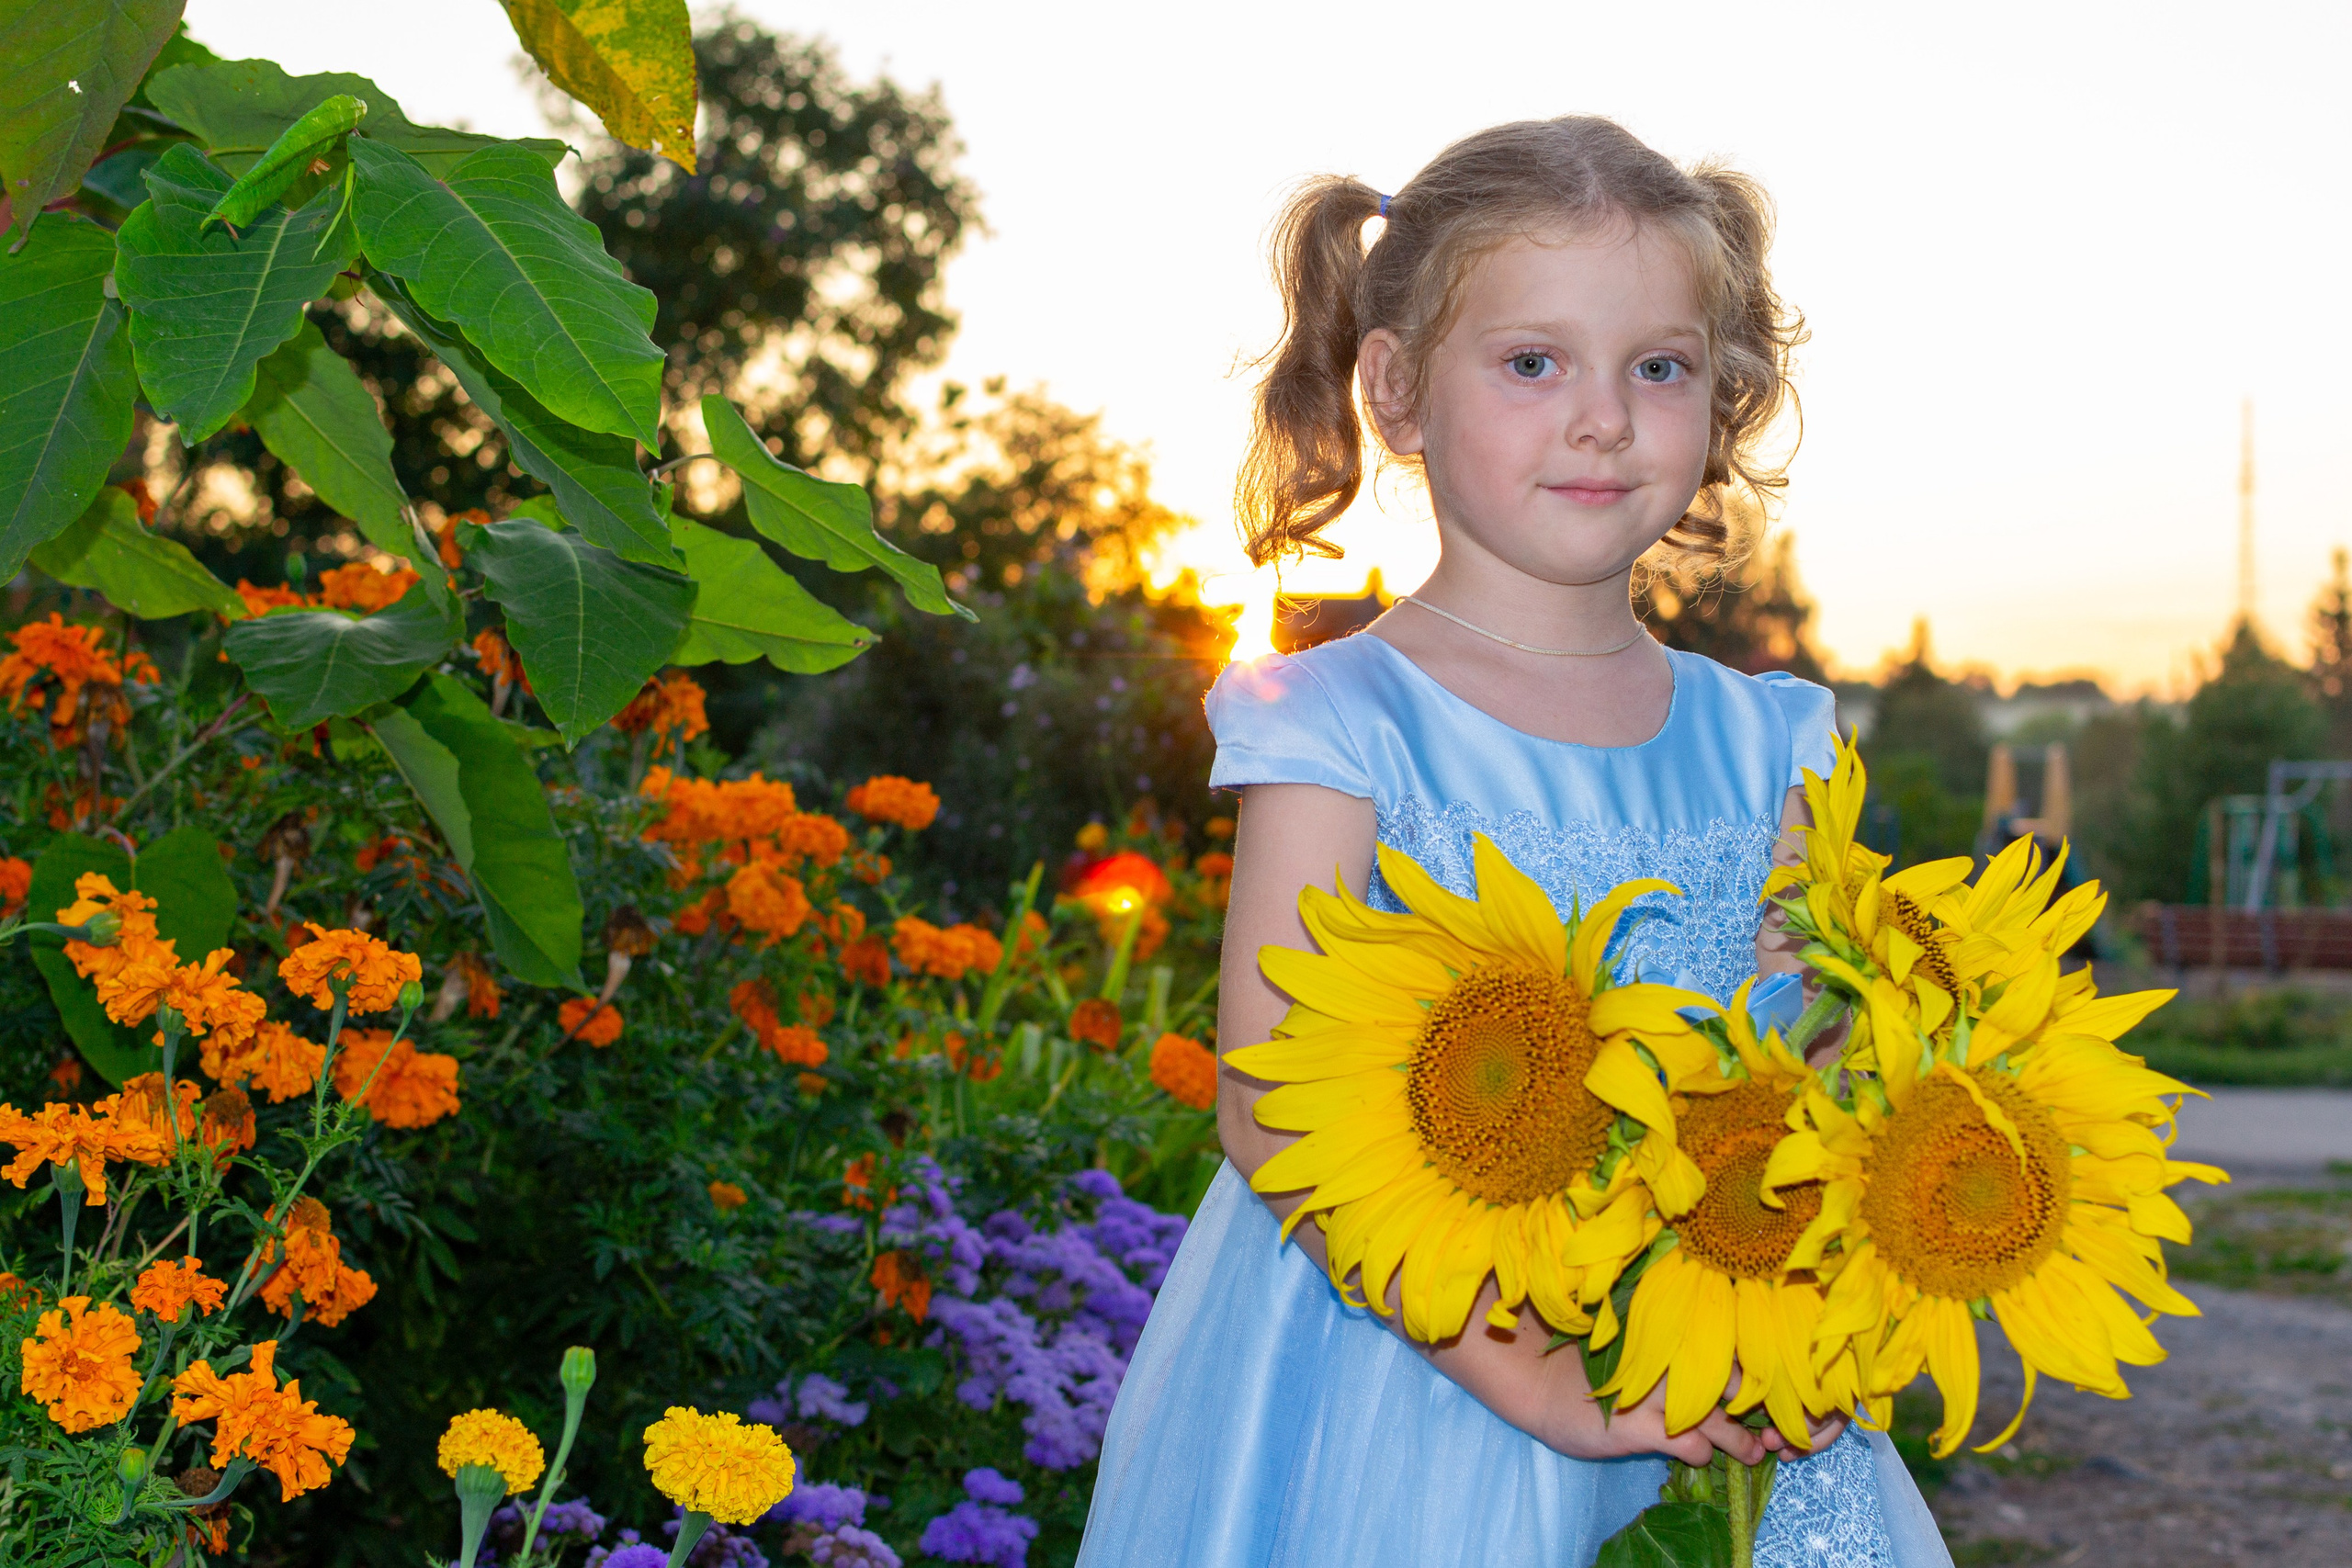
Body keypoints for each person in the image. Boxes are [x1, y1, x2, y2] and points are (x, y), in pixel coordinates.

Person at [1078, 118, 1951, 1567]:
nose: (1603, 418)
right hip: (1411, 1379)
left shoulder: (1773, 740)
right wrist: (1543, 1385)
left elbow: (1823, 1069)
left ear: (1720, 399)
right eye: (1534, 362)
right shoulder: (1338, 724)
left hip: (1718, 1375)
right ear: (1397, 390)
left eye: (1658, 367)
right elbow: (1274, 1109)